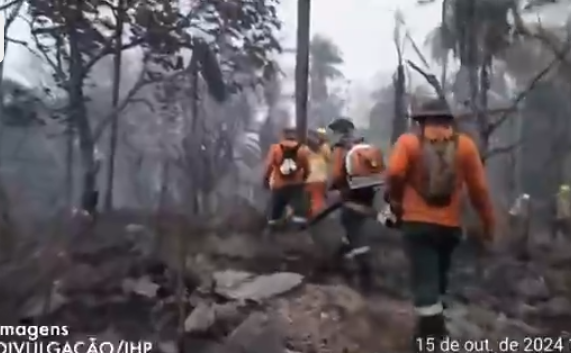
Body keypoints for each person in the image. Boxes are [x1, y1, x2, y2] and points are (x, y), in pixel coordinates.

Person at [385, 98, 495, 345]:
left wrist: (395, 200)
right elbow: (480, 190)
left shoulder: (409, 142)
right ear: (449, 121)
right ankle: (426, 337)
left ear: (422, 121)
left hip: (416, 224)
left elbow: (393, 172)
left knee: (425, 284)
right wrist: (489, 224)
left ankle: (434, 340)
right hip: (450, 227)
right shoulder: (464, 146)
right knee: (438, 281)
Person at [329, 117, 385, 292]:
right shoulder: (362, 144)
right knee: (353, 226)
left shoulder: (340, 148)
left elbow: (338, 174)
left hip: (351, 192)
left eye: (334, 131)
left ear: (339, 131)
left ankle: (366, 275)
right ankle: (336, 261)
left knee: (352, 226)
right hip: (369, 192)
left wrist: (333, 188)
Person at [263, 128, 311, 227]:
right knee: (298, 215)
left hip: (279, 185)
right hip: (296, 186)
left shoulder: (275, 149)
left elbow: (269, 166)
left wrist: (266, 179)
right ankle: (298, 235)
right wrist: (303, 179)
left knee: (275, 214)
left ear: (283, 135)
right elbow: (307, 169)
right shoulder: (302, 150)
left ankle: (273, 233)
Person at [305, 129, 331, 217]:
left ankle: (309, 216)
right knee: (317, 199)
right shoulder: (324, 146)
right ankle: (317, 218)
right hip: (320, 177)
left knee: (308, 199)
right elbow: (329, 158)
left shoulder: (304, 146)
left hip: (307, 177)